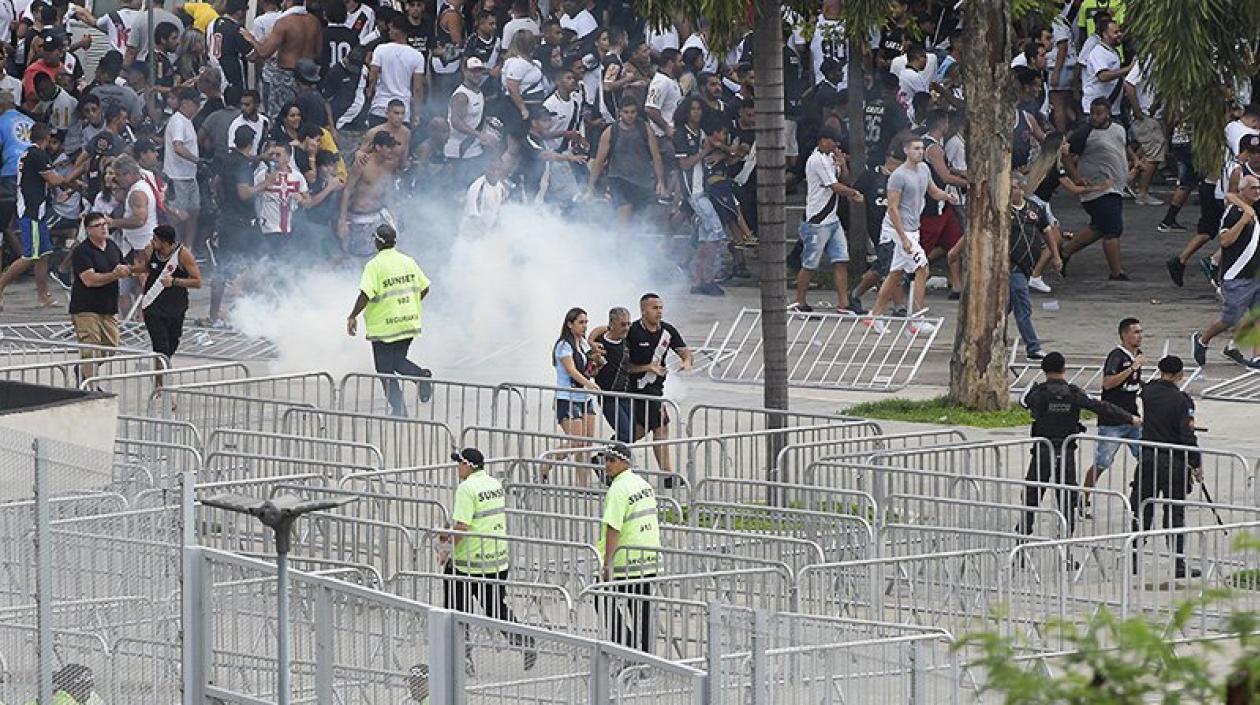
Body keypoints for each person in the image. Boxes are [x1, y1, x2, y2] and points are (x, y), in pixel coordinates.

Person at [1019, 352, 1139, 538]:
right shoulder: (1073, 393)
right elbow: (1102, 406)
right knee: (1067, 499)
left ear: (1043, 370)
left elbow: (1024, 402)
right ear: (1064, 369)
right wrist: (1129, 418)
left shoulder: (1038, 393)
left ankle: (1022, 540)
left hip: (1042, 450)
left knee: (1032, 496)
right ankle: (1065, 545)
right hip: (1066, 451)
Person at [441, 447, 537, 671]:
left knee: (456, 610)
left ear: (468, 466)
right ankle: (524, 642)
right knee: (496, 609)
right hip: (497, 559)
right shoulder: (494, 484)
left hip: (468, 563)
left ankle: (462, 657)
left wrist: (445, 549)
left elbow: (462, 526)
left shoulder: (466, 488)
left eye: (460, 463)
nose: (457, 468)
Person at [865, 135, 959, 334]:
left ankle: (875, 314)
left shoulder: (924, 169)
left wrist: (947, 196)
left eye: (921, 148)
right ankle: (916, 319)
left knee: (896, 273)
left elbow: (933, 192)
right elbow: (892, 208)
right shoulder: (898, 176)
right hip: (898, 231)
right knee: (922, 269)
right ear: (906, 150)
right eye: (915, 148)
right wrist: (904, 238)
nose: (920, 152)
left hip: (913, 230)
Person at [346, 224, 433, 416]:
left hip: (385, 327)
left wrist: (353, 315)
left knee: (385, 370)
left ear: (377, 241)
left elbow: (365, 294)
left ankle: (404, 401)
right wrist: (410, 304)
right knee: (396, 362)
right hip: (408, 322)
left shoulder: (374, 265)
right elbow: (425, 287)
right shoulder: (408, 261)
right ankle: (417, 382)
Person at [0, 121, 86, 310]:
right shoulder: (37, 154)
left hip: (37, 212)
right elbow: (54, 180)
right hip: (31, 211)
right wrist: (74, 178)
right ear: (46, 138)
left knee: (44, 255)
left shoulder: (29, 154)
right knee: (30, 256)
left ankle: (43, 295)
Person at [1131, 356, 1202, 579]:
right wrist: (1196, 463)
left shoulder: (1149, 393)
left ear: (1160, 371)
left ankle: (1134, 558)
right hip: (1173, 462)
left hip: (1148, 459)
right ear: (1180, 375)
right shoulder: (1183, 401)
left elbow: (1143, 387)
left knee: (1142, 509)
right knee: (1175, 513)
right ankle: (1179, 563)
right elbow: (1187, 434)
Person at [597, 442, 662, 653]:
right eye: (604, 460)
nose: (606, 465)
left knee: (602, 598)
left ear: (624, 462)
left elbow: (613, 528)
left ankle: (628, 648)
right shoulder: (642, 484)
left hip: (627, 560)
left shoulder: (618, 489)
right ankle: (644, 655)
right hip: (649, 557)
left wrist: (607, 564)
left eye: (611, 460)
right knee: (640, 608)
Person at [1191, 174, 1260, 368]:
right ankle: (1202, 339)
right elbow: (1225, 241)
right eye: (1253, 188)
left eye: (1259, 188)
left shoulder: (1255, 208)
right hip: (1236, 275)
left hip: (1255, 273)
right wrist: (1243, 221)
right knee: (1230, 318)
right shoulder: (1233, 213)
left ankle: (1256, 357)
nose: (1257, 192)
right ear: (1243, 191)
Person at [793, 124, 864, 313]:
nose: (835, 146)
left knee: (841, 259)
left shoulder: (832, 158)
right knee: (810, 264)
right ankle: (800, 302)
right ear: (823, 140)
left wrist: (842, 165)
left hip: (832, 219)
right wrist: (854, 194)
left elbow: (844, 181)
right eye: (833, 142)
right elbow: (835, 186)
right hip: (817, 220)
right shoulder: (816, 160)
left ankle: (843, 303)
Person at [1060, 97, 1131, 280]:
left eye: (1099, 113)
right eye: (1092, 113)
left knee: (1100, 227)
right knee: (1113, 229)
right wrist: (1076, 177)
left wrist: (1134, 163)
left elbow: (1123, 147)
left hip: (1116, 186)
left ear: (1108, 113)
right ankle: (1116, 272)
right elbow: (1066, 154)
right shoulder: (1083, 133)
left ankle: (1065, 252)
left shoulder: (1118, 128)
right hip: (1097, 189)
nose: (1094, 117)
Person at [627, 293, 692, 487]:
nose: (659, 312)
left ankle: (607, 453)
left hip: (656, 387)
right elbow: (625, 365)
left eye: (661, 308)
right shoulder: (632, 331)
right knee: (661, 426)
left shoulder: (667, 330)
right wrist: (647, 367)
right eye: (654, 308)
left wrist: (686, 362)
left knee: (639, 430)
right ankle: (667, 475)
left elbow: (684, 351)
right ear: (643, 310)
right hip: (636, 388)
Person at [1081, 317, 1145, 511]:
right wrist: (1131, 368)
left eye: (1141, 332)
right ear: (1125, 335)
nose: (1140, 336)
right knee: (1103, 462)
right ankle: (1083, 497)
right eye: (1135, 332)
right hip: (1112, 421)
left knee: (1146, 456)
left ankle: (1139, 493)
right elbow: (1107, 383)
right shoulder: (1116, 356)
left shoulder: (1139, 354)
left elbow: (1134, 384)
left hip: (1132, 416)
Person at [69, 211, 129, 379]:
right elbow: (89, 280)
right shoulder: (82, 251)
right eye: (98, 225)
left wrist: (131, 270)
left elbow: (123, 267)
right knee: (90, 347)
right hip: (86, 307)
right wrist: (114, 275)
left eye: (105, 224)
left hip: (108, 306)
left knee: (111, 346)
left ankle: (83, 370)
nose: (104, 228)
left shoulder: (112, 246)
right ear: (88, 230)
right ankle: (89, 384)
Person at [242, 0, 322, 117]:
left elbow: (264, 52)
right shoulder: (314, 21)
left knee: (280, 116)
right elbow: (318, 52)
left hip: (285, 76)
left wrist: (251, 39)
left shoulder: (284, 23)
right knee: (304, 116)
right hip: (308, 76)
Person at [1007, 172, 1056, 362]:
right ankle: (1033, 346)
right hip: (1012, 266)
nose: (1011, 192)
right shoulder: (1002, 210)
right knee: (1023, 305)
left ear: (1021, 189)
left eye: (1013, 187)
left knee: (1005, 307)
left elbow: (1047, 231)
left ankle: (987, 335)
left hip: (1027, 266)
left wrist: (1056, 255)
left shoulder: (1033, 208)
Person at [135, 224, 200, 361]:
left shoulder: (183, 254)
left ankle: (163, 372)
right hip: (153, 306)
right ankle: (161, 381)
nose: (152, 241)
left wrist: (174, 281)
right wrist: (129, 269)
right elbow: (145, 267)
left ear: (164, 242)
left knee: (172, 343)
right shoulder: (150, 250)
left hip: (176, 306)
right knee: (160, 347)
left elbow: (197, 281)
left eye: (155, 239)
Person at [553, 307, 601, 480]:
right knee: (576, 442)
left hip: (585, 399)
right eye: (581, 322)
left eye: (586, 322)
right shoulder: (564, 345)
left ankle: (582, 484)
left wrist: (595, 366)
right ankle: (545, 464)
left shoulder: (584, 344)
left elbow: (587, 367)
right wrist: (588, 383)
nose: (584, 326)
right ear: (570, 324)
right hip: (568, 397)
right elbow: (571, 370)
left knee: (587, 444)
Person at [339, 131, 400, 258]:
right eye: (388, 147)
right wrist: (342, 220)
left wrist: (394, 216)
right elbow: (347, 191)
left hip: (378, 216)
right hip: (359, 217)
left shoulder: (389, 165)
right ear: (378, 147)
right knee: (358, 256)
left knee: (383, 254)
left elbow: (389, 193)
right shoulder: (362, 164)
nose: (391, 150)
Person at [589, 307, 635, 443]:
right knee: (625, 434)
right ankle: (605, 458)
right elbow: (590, 371)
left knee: (630, 435)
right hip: (608, 397)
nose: (626, 328)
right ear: (612, 324)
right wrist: (591, 344)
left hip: (626, 395)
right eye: (622, 324)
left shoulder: (628, 340)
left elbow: (601, 328)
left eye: (628, 324)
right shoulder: (600, 344)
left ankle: (604, 457)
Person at [164, 88, 201, 249]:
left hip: (189, 176)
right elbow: (177, 147)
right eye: (196, 103)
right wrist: (197, 160)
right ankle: (175, 251)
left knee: (193, 213)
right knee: (178, 218)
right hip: (177, 177)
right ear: (185, 103)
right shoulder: (178, 120)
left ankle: (188, 249)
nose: (198, 107)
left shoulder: (187, 121)